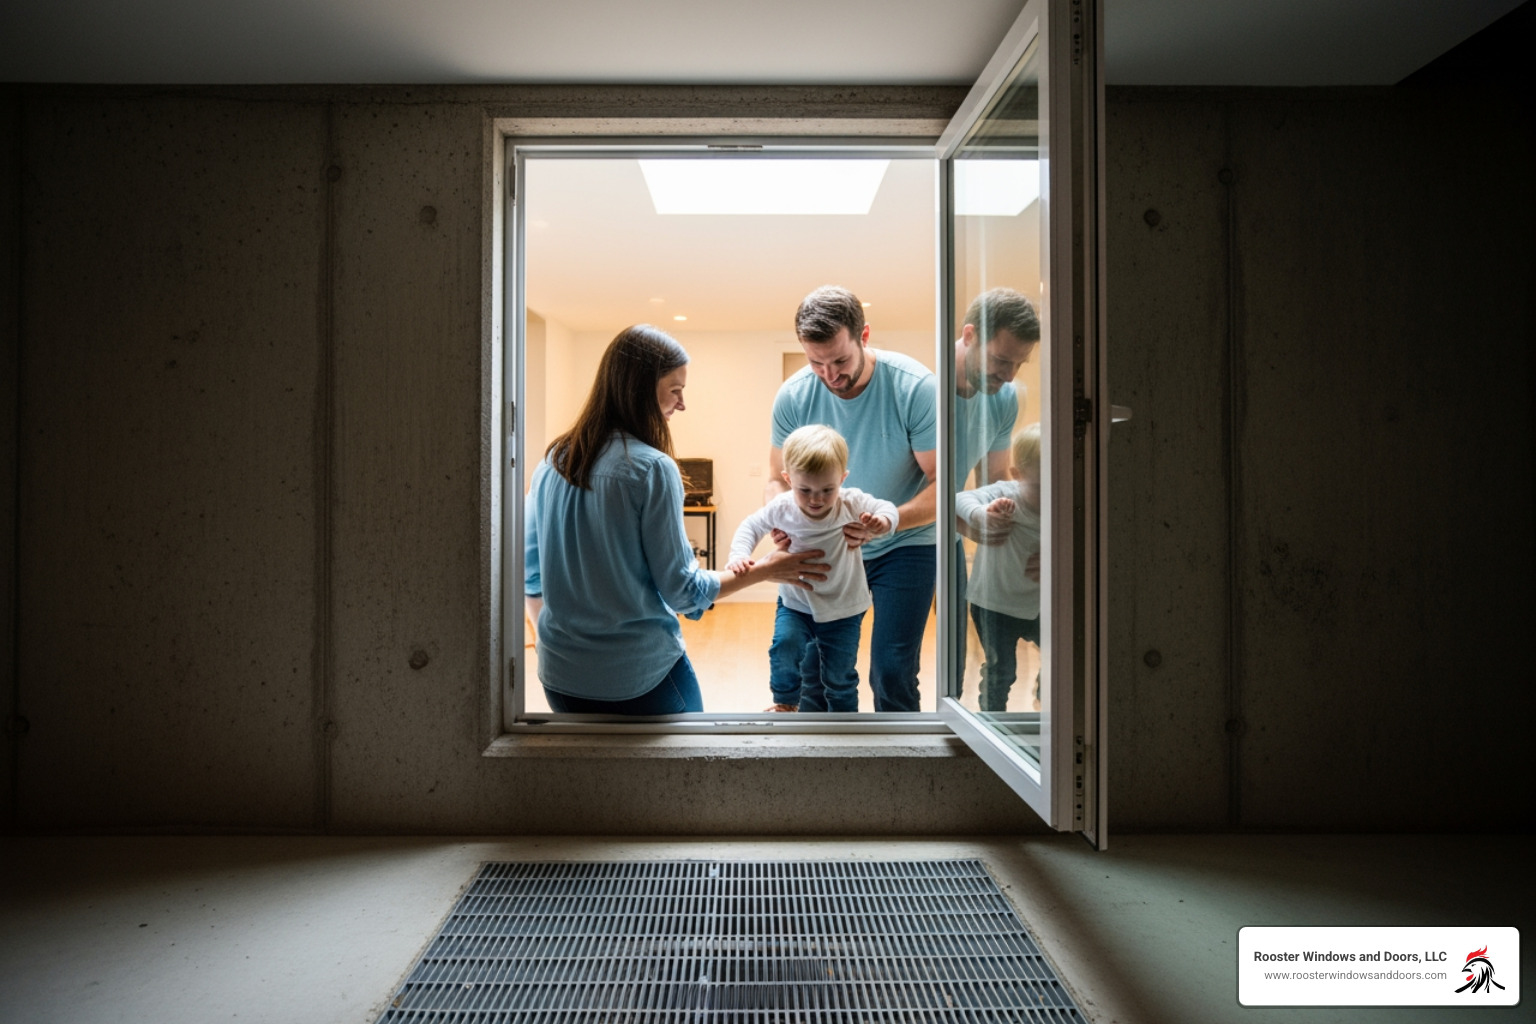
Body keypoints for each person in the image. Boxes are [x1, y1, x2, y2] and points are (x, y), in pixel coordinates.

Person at [525, 324, 829, 715]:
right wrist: (766, 569)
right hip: (639, 679)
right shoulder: (651, 468)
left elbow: (532, 575)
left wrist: (561, 643)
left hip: (560, 678)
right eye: (675, 389)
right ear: (640, 389)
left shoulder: (552, 461)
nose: (681, 403)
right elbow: (683, 591)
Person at [768, 286, 936, 712]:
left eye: (840, 360)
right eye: (816, 362)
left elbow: (943, 483)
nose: (829, 375)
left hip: (904, 544)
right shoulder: (793, 395)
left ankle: (896, 770)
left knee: (892, 670)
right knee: (814, 668)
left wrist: (887, 521)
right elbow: (776, 478)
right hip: (823, 546)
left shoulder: (914, 387)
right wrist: (784, 527)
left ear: (864, 336)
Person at [726, 425, 898, 713]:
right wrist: (739, 555)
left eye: (827, 490)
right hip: (797, 604)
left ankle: (844, 726)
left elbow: (888, 508)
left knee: (839, 676)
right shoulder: (782, 506)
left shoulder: (850, 501)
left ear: (842, 479)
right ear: (788, 479)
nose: (816, 499)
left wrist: (882, 522)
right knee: (784, 647)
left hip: (844, 607)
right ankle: (785, 702)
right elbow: (751, 525)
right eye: (804, 490)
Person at [951, 288, 1040, 687]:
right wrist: (971, 524)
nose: (1009, 376)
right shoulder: (925, 390)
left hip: (949, 529)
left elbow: (996, 486)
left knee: (953, 664)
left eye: (1018, 364)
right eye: (1001, 360)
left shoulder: (1004, 398)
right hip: (898, 531)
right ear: (969, 336)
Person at [955, 423, 1043, 712]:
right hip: (994, 604)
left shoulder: (1065, 502)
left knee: (1063, 657)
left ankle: (1046, 697)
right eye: (1040, 486)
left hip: (1039, 605)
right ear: (1018, 476)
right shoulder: (1006, 495)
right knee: (1001, 669)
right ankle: (992, 722)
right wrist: (982, 516)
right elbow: (959, 499)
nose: (1051, 494)